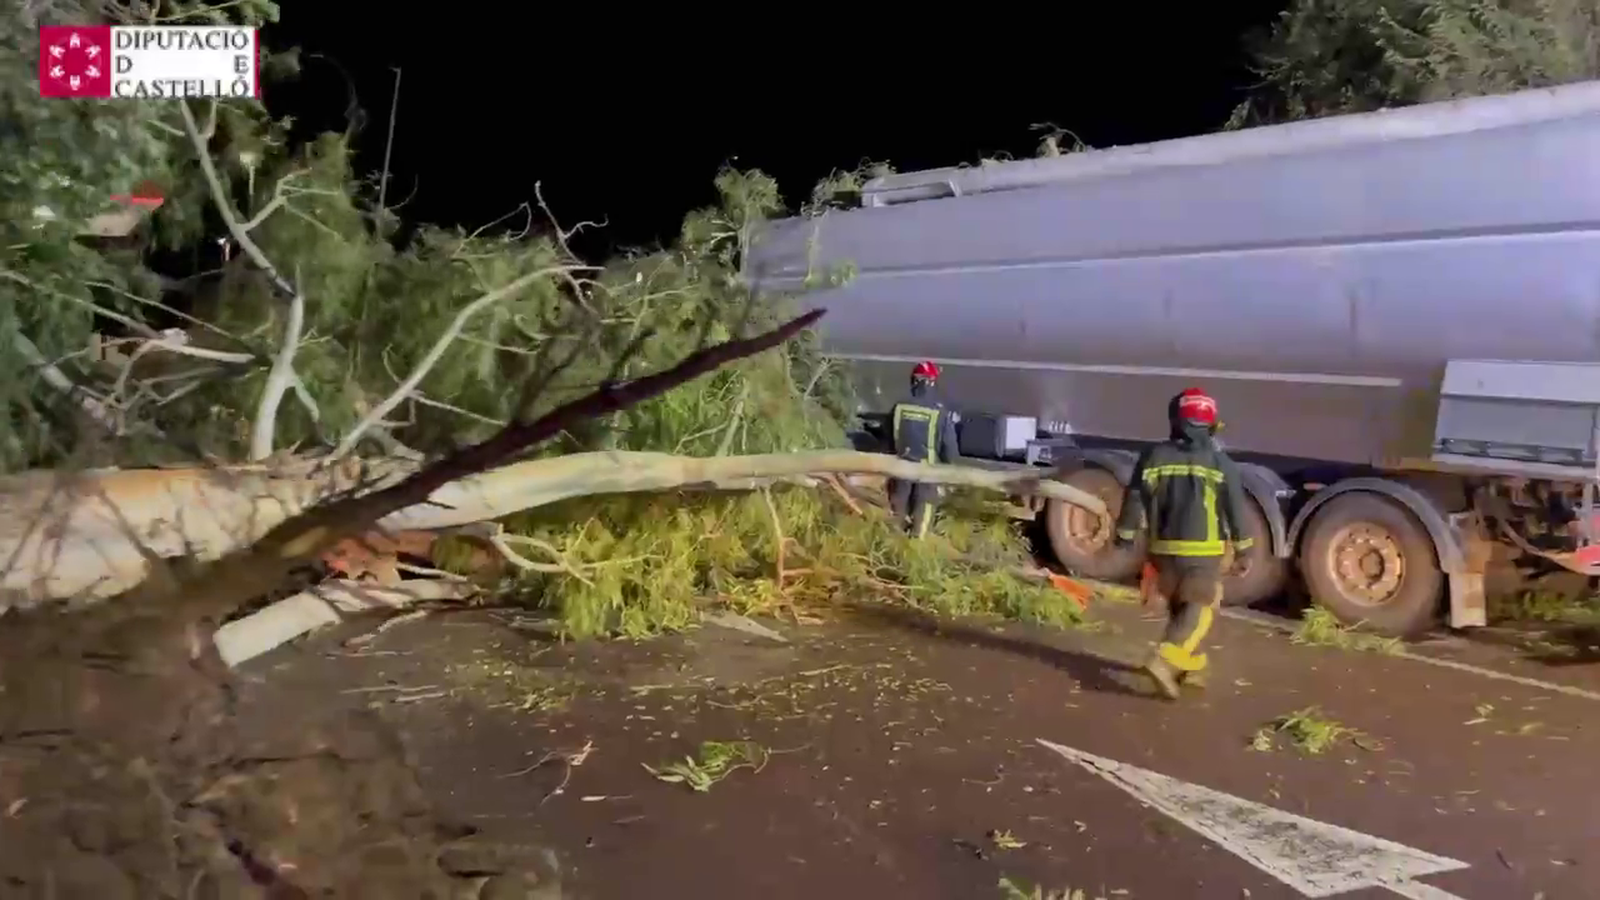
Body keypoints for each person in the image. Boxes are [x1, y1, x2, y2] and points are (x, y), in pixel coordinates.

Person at [1113, 387, 1253, 700]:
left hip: (1162, 550)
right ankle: (1164, 660)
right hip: (1202, 552)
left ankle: (1186, 667)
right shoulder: (1220, 463)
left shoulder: (1153, 456)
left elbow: (1135, 497)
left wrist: (1124, 534)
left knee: (1180, 603)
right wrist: (1245, 550)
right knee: (1201, 605)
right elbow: (1235, 509)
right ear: (1212, 424)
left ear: (1175, 420)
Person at [888, 360, 961, 538]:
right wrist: (952, 472)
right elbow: (949, 449)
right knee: (921, 524)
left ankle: (893, 548)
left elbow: (888, 438)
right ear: (931, 382)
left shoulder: (899, 407)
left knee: (895, 518)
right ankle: (916, 554)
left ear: (914, 381)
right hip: (927, 474)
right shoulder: (939, 412)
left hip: (900, 470)